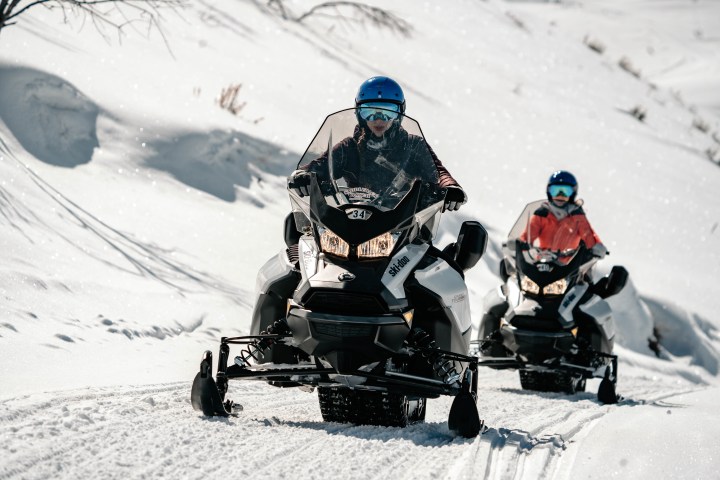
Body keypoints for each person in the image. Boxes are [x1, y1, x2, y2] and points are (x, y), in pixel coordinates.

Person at [288, 76, 467, 211]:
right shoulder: (349, 147)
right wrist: (303, 175)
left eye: (387, 112)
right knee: (303, 242)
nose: (378, 119)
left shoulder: (414, 146)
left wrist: (449, 188)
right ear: (359, 113)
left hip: (405, 226)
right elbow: (317, 166)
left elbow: (438, 174)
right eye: (370, 111)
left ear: (399, 114)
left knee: (437, 257)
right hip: (352, 221)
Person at [521, 170, 607, 258]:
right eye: (555, 190)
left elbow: (588, 235)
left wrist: (596, 247)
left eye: (565, 191)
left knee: (586, 268)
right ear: (549, 191)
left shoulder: (577, 216)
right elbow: (528, 235)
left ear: (573, 193)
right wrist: (520, 244)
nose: (560, 195)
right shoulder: (542, 214)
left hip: (571, 265)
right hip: (543, 262)